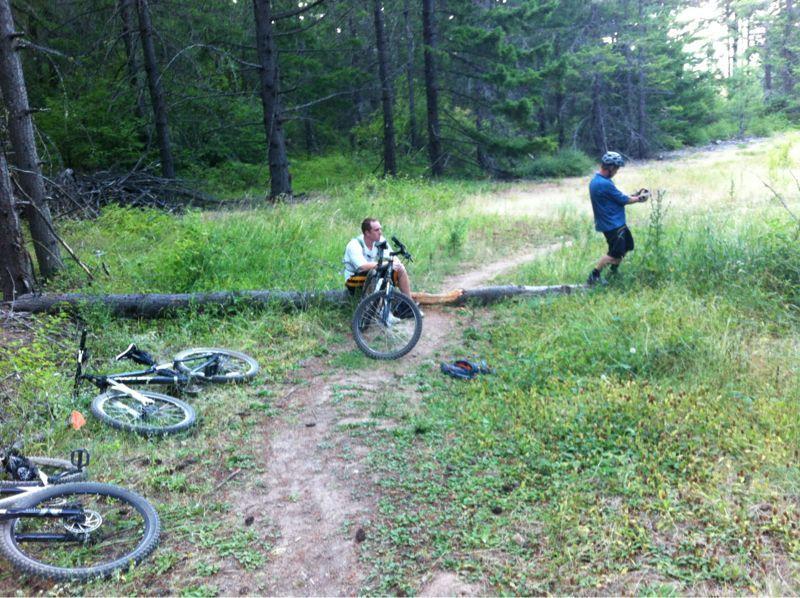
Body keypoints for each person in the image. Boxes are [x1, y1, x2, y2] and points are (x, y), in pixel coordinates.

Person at [586, 151, 648, 286]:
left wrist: (634, 195)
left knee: (627, 246)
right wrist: (640, 198)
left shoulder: (598, 180)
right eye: (617, 168)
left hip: (615, 222)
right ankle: (593, 276)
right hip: (612, 224)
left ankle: (613, 273)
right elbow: (623, 200)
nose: (617, 171)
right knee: (614, 253)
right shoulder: (604, 183)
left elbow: (615, 198)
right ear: (610, 167)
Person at [343, 217, 415, 299]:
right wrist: (388, 264)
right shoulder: (354, 245)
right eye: (376, 230)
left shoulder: (380, 240)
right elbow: (362, 267)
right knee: (374, 273)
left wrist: (397, 264)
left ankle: (409, 303)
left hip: (371, 274)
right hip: (353, 280)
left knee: (400, 269)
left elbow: (392, 256)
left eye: (380, 229)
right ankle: (374, 307)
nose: (380, 232)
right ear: (367, 233)